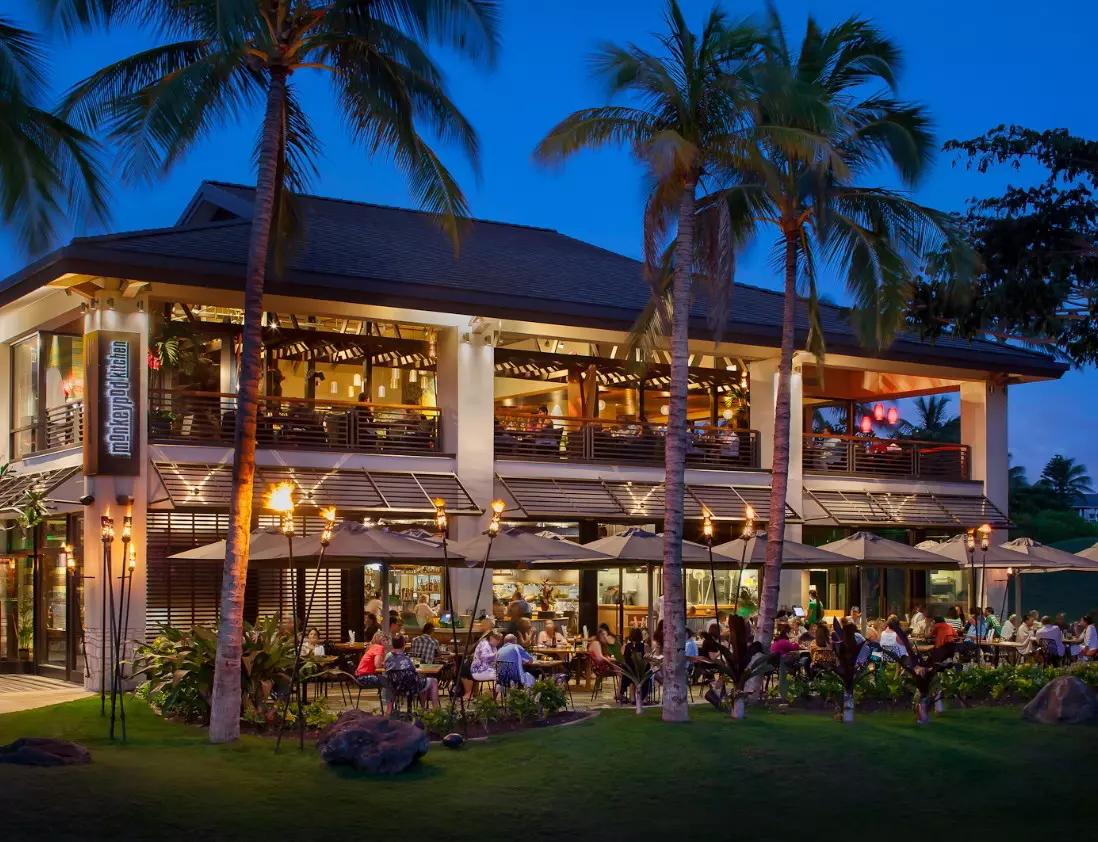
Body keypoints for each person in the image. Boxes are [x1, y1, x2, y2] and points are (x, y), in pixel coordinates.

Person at [384, 635, 439, 709]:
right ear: (404, 645)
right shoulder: (407, 659)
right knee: (433, 681)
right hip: (411, 688)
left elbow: (386, 670)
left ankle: (390, 709)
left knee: (423, 680)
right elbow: (414, 674)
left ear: (392, 645)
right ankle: (436, 710)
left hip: (395, 687)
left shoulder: (388, 658)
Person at [463, 629, 502, 698]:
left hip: (486, 669)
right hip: (479, 671)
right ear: (491, 638)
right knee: (504, 676)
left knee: (505, 674)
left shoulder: (493, 646)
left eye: (499, 640)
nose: (499, 642)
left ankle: (491, 696)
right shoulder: (485, 645)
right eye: (497, 639)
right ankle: (490, 697)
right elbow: (485, 658)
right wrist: (496, 655)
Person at [354, 632, 390, 698]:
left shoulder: (373, 647)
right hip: (364, 678)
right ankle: (389, 703)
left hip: (360, 677)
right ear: (378, 641)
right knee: (391, 681)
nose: (386, 642)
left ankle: (387, 701)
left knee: (389, 680)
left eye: (386, 640)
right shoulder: (379, 647)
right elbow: (377, 665)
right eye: (383, 640)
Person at [619, 628, 650, 704]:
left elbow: (623, 658)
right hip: (641, 672)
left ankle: (632, 698)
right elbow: (648, 657)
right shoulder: (644, 646)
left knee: (631, 678)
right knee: (647, 673)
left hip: (629, 671)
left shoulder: (626, 646)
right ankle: (644, 698)